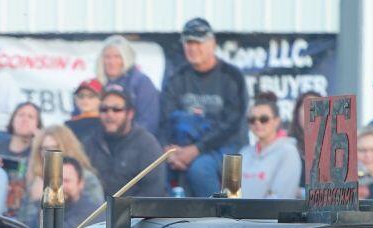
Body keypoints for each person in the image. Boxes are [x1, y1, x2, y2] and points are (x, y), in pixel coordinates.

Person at [161, 17, 248, 197]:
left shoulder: (231, 76)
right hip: (184, 147)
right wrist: (171, 151)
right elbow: (166, 118)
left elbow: (232, 123)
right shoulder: (177, 77)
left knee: (200, 169)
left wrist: (197, 149)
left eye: (198, 42)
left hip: (227, 148)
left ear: (212, 43)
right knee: (156, 167)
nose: (192, 48)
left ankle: (223, 218)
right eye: (188, 43)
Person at [83, 85, 167, 199]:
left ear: (130, 113)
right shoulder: (89, 143)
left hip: (136, 214)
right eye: (104, 109)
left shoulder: (147, 145)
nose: (109, 114)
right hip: (96, 213)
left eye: (117, 109)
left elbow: (154, 191)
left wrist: (123, 212)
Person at [96, 35, 161, 138]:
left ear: (126, 58)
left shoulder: (142, 83)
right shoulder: (97, 84)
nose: (112, 62)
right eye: (107, 57)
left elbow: (148, 121)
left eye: (117, 57)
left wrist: (129, 143)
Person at [24, 124, 104, 209]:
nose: (50, 153)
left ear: (68, 148)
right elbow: (25, 219)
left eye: (55, 147)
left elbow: (94, 215)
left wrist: (42, 201)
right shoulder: (38, 179)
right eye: (45, 148)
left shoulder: (87, 178)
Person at [240, 93, 301, 199]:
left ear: (277, 121)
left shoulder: (288, 152)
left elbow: (280, 199)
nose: (257, 123)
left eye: (264, 119)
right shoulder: (243, 153)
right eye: (252, 120)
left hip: (269, 215)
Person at [59, 157, 99, 228]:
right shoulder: (50, 208)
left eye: (67, 181)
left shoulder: (92, 212)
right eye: (57, 180)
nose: (61, 186)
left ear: (80, 183)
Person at [65, 78, 102, 145]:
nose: (85, 99)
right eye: (81, 96)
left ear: (100, 99)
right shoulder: (68, 125)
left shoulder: (105, 124)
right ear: (76, 99)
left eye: (91, 96)